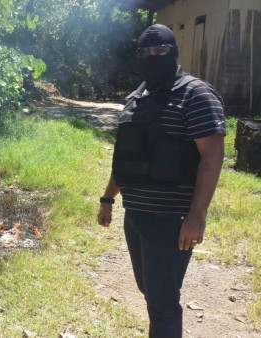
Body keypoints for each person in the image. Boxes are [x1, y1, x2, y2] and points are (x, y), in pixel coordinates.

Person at [97, 24, 225, 338]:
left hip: (171, 219)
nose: (153, 56)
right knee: (150, 291)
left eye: (161, 50)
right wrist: (107, 199)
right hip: (137, 215)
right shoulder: (136, 98)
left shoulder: (196, 94)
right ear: (138, 55)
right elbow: (126, 157)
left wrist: (197, 215)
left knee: (163, 300)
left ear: (174, 51)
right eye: (146, 51)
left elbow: (211, 157)